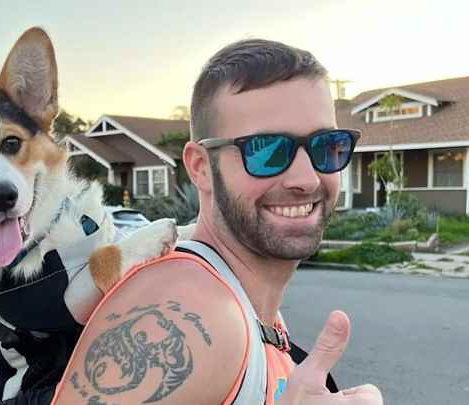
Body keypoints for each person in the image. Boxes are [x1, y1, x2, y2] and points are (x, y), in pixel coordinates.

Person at [49, 39, 384, 404]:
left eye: (326, 146)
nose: (306, 178)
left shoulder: (242, 305)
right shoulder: (189, 306)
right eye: (266, 150)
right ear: (200, 167)